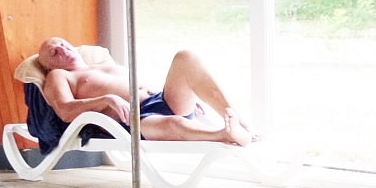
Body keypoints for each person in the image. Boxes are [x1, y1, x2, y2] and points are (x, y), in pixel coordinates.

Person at [34, 37, 253, 145]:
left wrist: (184, 94)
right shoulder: (59, 76)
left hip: (160, 99)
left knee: (185, 58)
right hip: (134, 118)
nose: (62, 49)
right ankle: (223, 135)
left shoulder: (103, 63)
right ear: (50, 67)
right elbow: (65, 111)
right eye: (54, 52)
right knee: (174, 123)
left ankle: (240, 122)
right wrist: (106, 100)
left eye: (62, 44)